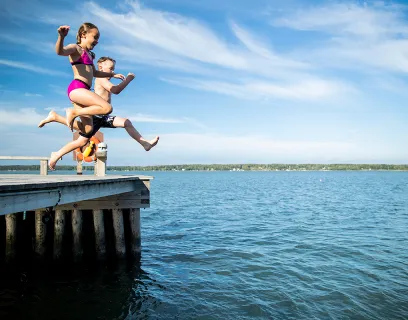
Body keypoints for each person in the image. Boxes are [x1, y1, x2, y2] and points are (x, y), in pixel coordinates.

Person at [39, 56, 159, 170]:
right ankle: (56, 154)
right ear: (100, 68)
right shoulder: (101, 79)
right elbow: (116, 90)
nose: (113, 71)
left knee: (126, 122)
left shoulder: (104, 80)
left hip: (103, 117)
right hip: (96, 116)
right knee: (81, 141)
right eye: (110, 68)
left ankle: (145, 144)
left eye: (114, 69)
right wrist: (128, 79)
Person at [56, 22, 125, 131]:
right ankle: (74, 112)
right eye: (95, 37)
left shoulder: (89, 54)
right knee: (107, 108)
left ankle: (56, 117)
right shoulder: (76, 48)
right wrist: (61, 36)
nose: (97, 41)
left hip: (84, 91)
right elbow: (60, 51)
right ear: (83, 35)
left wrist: (112, 74)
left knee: (88, 130)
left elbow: (95, 73)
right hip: (77, 88)